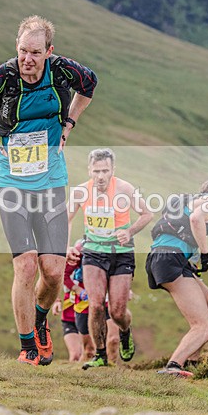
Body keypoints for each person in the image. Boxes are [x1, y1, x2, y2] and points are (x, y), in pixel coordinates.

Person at [0, 16, 97, 366]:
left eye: (35, 52)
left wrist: (70, 122)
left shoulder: (62, 71)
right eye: (22, 51)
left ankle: (40, 320)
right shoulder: (4, 77)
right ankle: (28, 347)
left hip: (51, 179)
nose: (27, 59)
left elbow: (90, 84)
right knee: (26, 266)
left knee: (54, 272)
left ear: (49, 51)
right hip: (11, 180)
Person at [67, 148, 153, 369]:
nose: (101, 176)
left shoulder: (124, 189)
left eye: (105, 171)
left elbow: (147, 213)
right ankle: (100, 355)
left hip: (121, 254)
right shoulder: (80, 192)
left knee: (116, 311)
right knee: (95, 305)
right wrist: (65, 247)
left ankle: (125, 331)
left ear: (113, 170)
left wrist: (130, 232)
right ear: (89, 170)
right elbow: (65, 220)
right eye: (96, 171)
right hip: (93, 252)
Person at [146, 179, 208, 377]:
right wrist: (206, 253)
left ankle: (192, 360)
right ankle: (174, 366)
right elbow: (196, 220)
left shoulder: (186, 201)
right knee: (204, 327)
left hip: (164, 257)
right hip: (171, 259)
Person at [52, 239, 93, 362]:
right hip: (69, 318)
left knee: (89, 352)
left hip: (88, 317)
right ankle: (71, 378)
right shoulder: (67, 274)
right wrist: (57, 301)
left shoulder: (96, 278)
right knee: (75, 355)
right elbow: (56, 281)